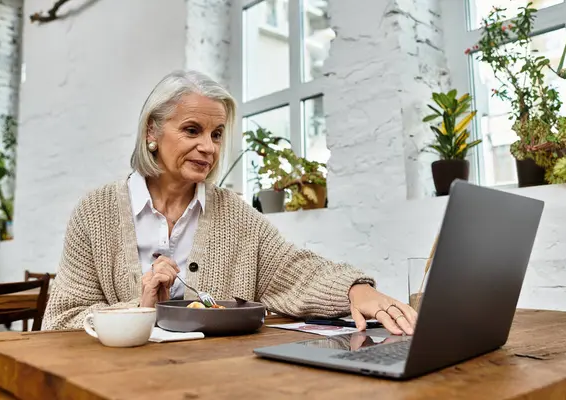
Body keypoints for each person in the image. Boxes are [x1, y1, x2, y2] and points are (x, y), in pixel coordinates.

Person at [42, 70, 417, 335]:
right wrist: (139, 311)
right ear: (151, 132)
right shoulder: (96, 212)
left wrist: (357, 290)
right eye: (192, 130)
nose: (209, 147)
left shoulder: (234, 214)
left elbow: (294, 269)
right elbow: (61, 320)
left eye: (217, 134)